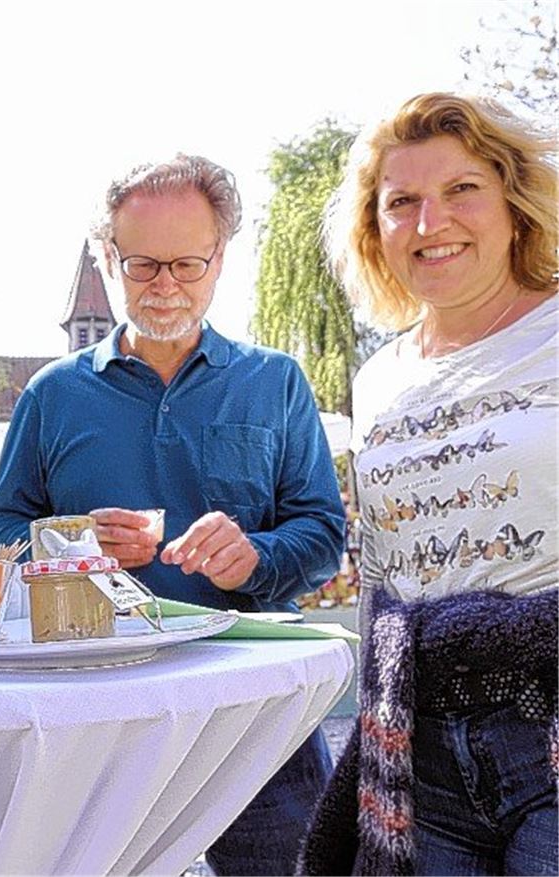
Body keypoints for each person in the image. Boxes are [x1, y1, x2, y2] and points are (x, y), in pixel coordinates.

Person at [0, 154, 346, 875]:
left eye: (188, 264)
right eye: (144, 266)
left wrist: (260, 554)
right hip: (96, 707)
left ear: (221, 257)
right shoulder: (53, 394)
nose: (167, 286)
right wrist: (68, 540)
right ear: (107, 258)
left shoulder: (275, 383)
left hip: (254, 707)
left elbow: (324, 532)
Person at [298, 93, 557, 876]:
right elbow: (385, 576)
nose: (428, 222)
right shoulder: (378, 378)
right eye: (400, 202)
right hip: (421, 758)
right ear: (373, 230)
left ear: (514, 204)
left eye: (461, 190)